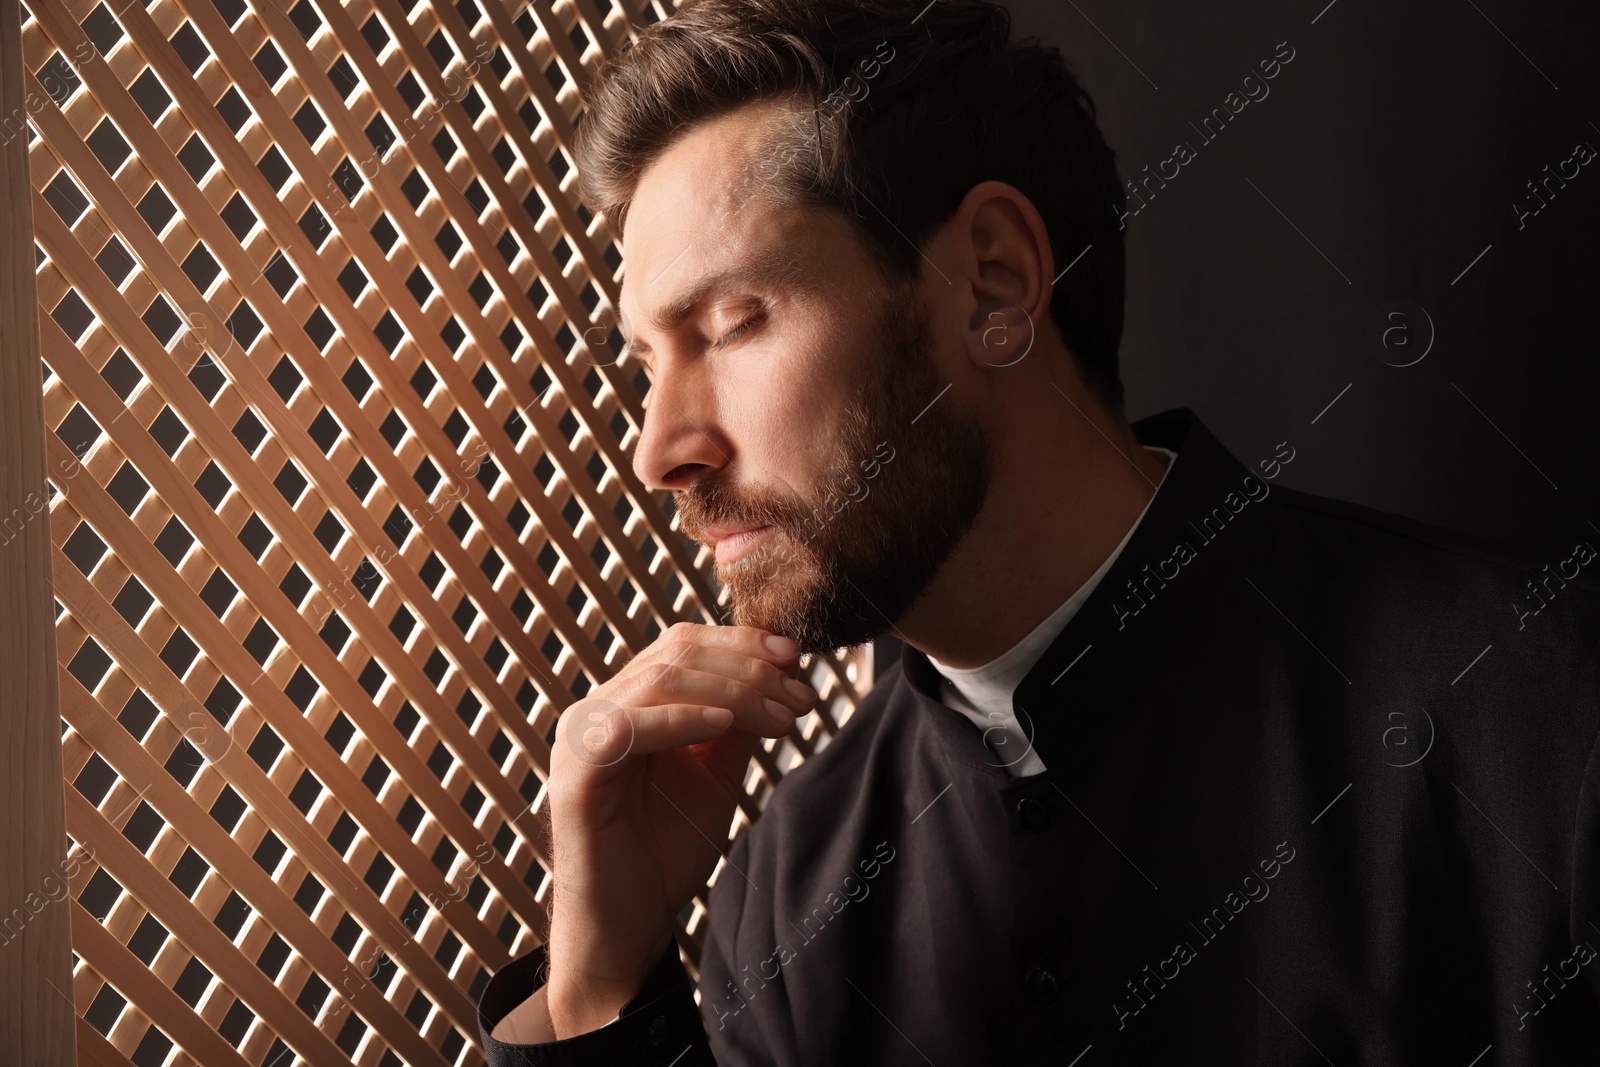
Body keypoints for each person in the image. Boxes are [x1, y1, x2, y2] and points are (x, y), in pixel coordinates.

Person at [476, 1, 1600, 1062]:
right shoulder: (786, 886)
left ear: (994, 283)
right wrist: (597, 986)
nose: (658, 446)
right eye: (643, 361)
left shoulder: (1543, 716)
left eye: (731, 323)